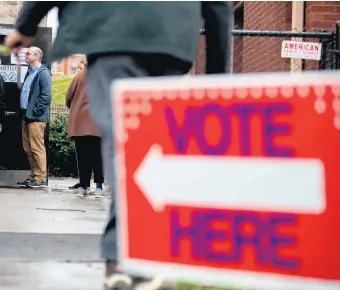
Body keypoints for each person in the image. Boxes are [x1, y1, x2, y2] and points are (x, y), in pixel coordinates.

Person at [5, 1, 231, 288]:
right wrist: (217, 77)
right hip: (169, 39)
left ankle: (130, 261)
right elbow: (219, 5)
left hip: (112, 34)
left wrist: (25, 25)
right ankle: (140, 257)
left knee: (126, 147)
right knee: (150, 148)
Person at [66, 57, 104, 197]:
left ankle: (83, 186)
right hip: (99, 123)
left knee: (83, 156)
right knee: (99, 156)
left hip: (80, 122)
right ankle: (99, 186)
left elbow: (68, 97)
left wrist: (76, 108)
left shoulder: (80, 76)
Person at [16, 46, 51, 188]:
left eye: (29, 53)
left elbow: (46, 97)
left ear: (37, 56)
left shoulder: (43, 73)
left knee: (37, 148)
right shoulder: (30, 72)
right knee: (28, 148)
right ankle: (33, 176)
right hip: (26, 116)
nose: (26, 55)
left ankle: (40, 177)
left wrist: (35, 112)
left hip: (36, 118)